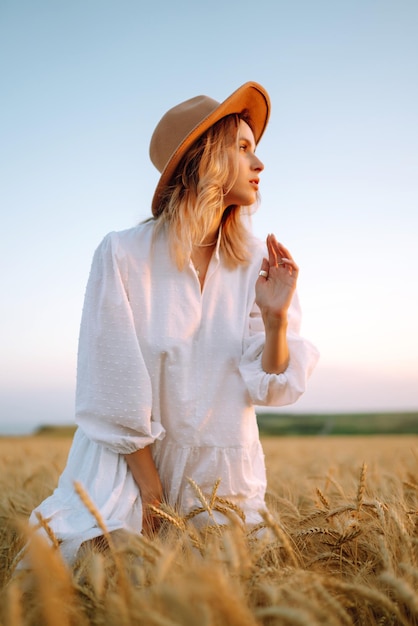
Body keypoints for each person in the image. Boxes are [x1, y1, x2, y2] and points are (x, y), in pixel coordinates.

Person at [27, 81, 319, 564]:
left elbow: (271, 387)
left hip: (223, 484)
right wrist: (151, 492)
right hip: (130, 478)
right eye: (243, 148)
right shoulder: (123, 254)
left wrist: (276, 319)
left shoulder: (253, 266)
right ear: (208, 158)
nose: (260, 164)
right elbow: (109, 384)